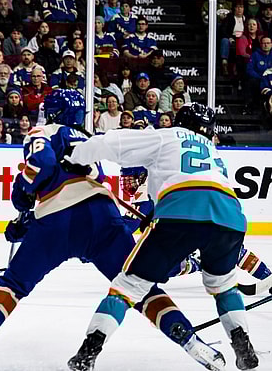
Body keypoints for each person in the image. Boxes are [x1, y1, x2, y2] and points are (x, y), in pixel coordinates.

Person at [0, 92, 222, 371]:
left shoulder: (43, 131)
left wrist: (22, 193)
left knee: (14, 284)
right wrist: (29, 217)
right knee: (138, 287)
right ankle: (191, 340)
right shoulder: (87, 139)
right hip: (102, 218)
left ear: (54, 112)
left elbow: (43, 165)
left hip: (56, 222)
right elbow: (89, 183)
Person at [66, 103, 259, 371]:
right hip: (230, 217)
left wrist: (75, 155)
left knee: (127, 286)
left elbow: (115, 143)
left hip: (181, 212)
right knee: (223, 285)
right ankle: (241, 338)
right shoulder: (214, 152)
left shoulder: (167, 135)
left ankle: (89, 350)